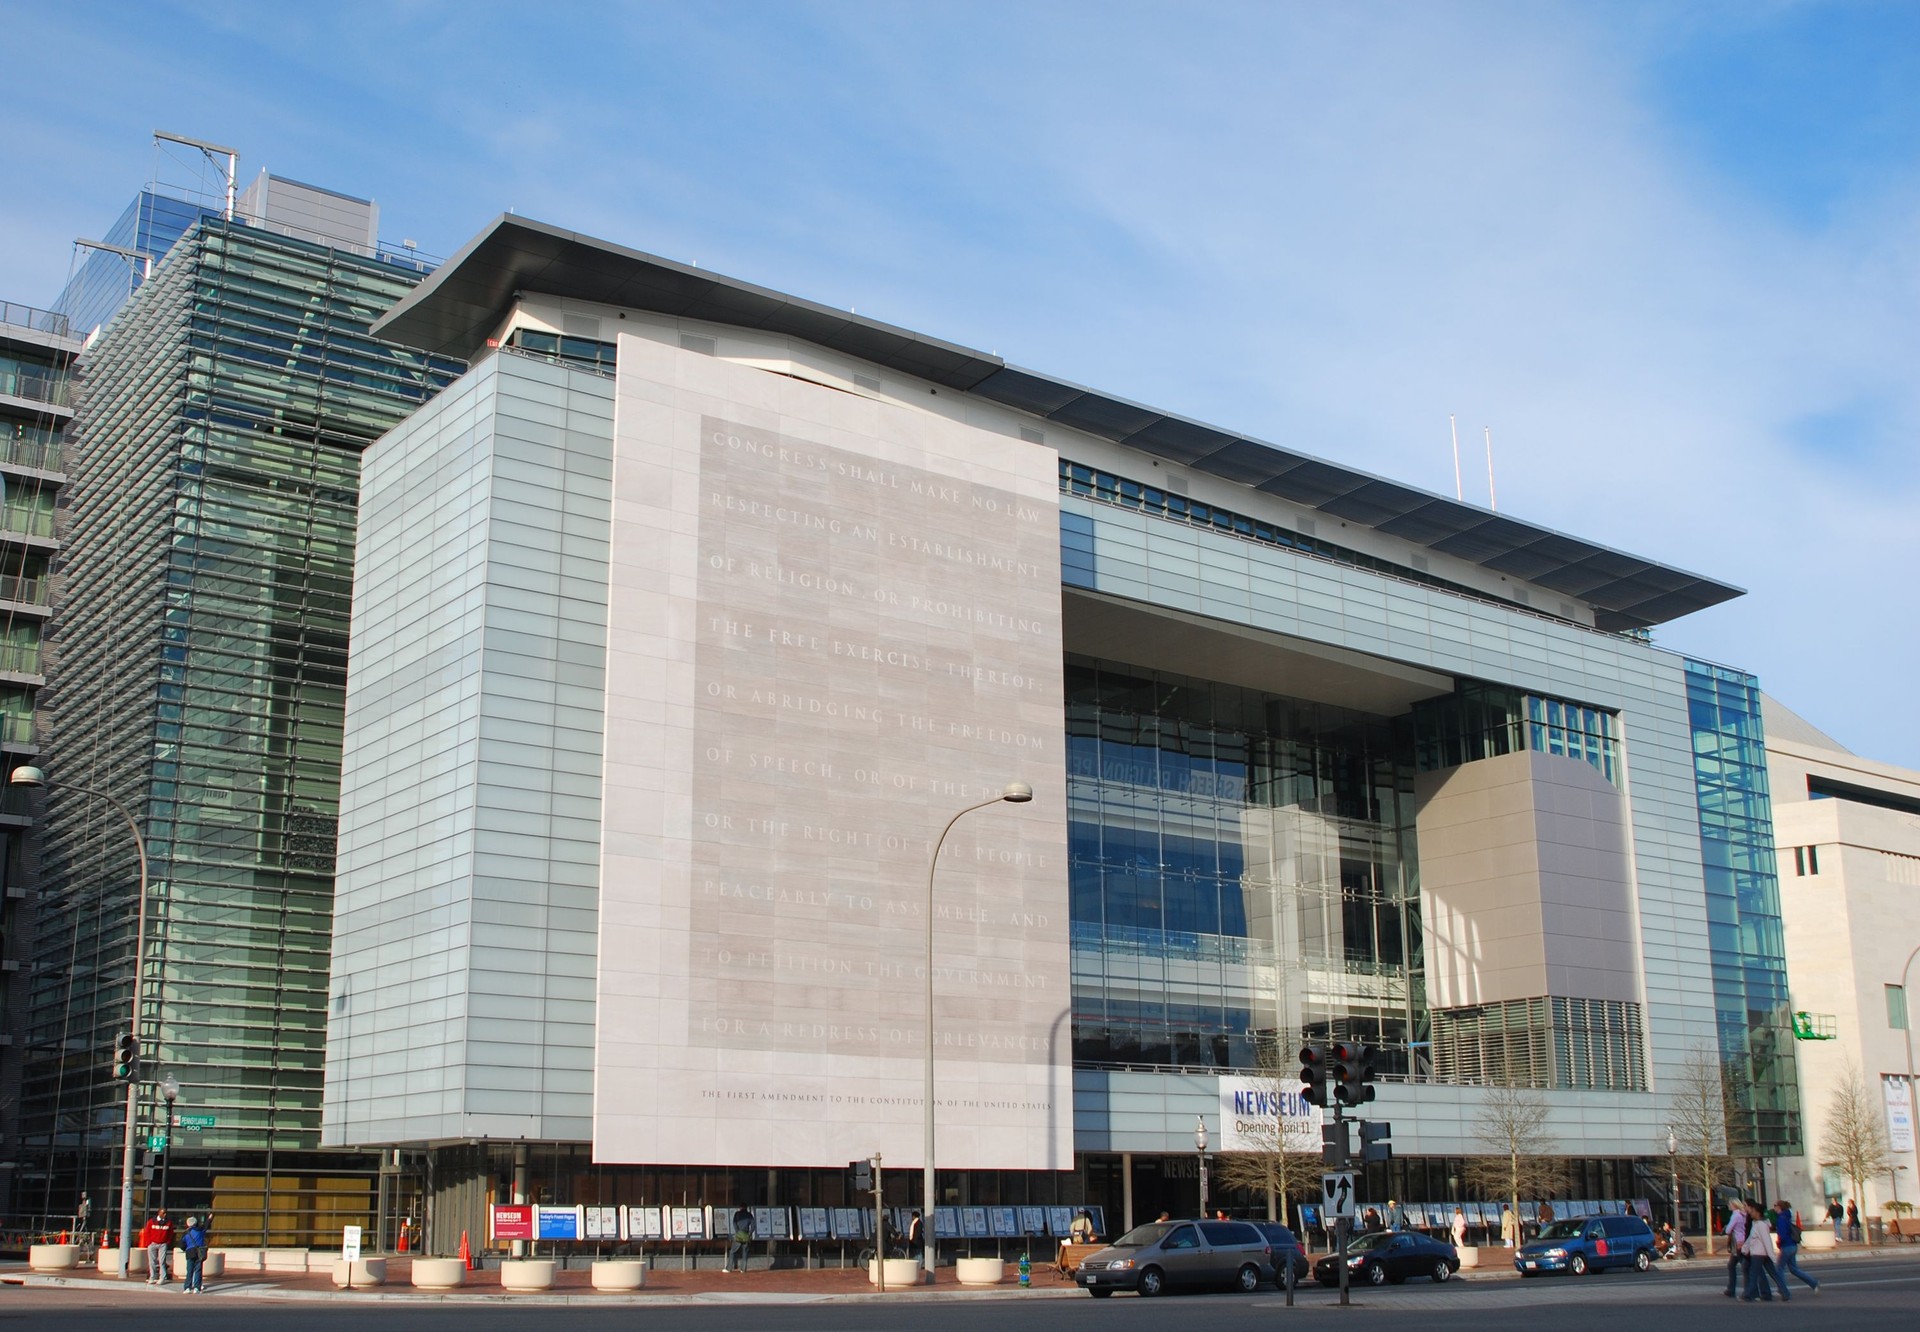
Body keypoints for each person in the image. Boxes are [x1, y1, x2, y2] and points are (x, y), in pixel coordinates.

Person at [1740, 1201, 1788, 1303]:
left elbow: (1766, 1241)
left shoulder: (1761, 1225)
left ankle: (1748, 1295)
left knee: (1754, 1275)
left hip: (1758, 1254)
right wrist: (1745, 1248)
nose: (1751, 1213)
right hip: (1761, 1253)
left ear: (1758, 1213)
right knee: (1773, 1274)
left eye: (1752, 1211)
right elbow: (1751, 1239)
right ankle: (1785, 1293)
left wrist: (1772, 1256)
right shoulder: (1757, 1224)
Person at [1771, 1198, 1818, 1293]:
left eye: (1775, 1206)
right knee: (1793, 1269)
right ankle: (1813, 1283)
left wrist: (1778, 1243)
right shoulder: (1787, 1216)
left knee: (1779, 1269)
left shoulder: (1781, 1218)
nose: (1774, 1208)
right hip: (1793, 1245)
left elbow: (1782, 1235)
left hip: (1786, 1246)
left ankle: (1782, 1289)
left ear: (1779, 1207)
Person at [1721, 1199, 1749, 1298]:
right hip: (1742, 1241)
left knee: (1738, 1266)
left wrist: (1727, 1227)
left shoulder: (1735, 1215)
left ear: (1734, 1205)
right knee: (1733, 1265)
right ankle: (1731, 1289)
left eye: (1729, 1204)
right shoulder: (1743, 1214)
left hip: (1737, 1243)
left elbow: (1728, 1230)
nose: (1728, 1206)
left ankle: (1733, 1289)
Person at [138, 1210, 173, 1285]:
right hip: (152, 1243)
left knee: (162, 1261)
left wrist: (167, 1242)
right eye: (163, 1213)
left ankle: (162, 1277)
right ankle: (152, 1277)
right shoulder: (151, 1221)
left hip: (163, 1244)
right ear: (159, 1213)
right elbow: (147, 1232)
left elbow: (170, 1233)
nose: (165, 1214)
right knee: (152, 1261)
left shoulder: (168, 1222)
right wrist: (149, 1243)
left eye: (166, 1213)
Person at [180, 1215, 208, 1294]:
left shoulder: (185, 1233)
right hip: (199, 1252)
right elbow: (206, 1224)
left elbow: (182, 1245)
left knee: (189, 1271)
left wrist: (185, 1248)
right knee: (198, 1270)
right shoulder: (200, 1230)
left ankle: (187, 1288)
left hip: (189, 1252)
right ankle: (196, 1288)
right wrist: (210, 1217)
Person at [724, 1205, 753, 1273]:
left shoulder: (737, 1214)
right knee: (745, 1252)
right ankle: (743, 1269)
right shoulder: (749, 1215)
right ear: (746, 1208)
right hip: (746, 1235)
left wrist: (737, 1231)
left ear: (740, 1208)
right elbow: (753, 1225)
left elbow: (734, 1223)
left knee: (732, 1251)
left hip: (739, 1235)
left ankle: (729, 1268)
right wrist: (750, 1233)